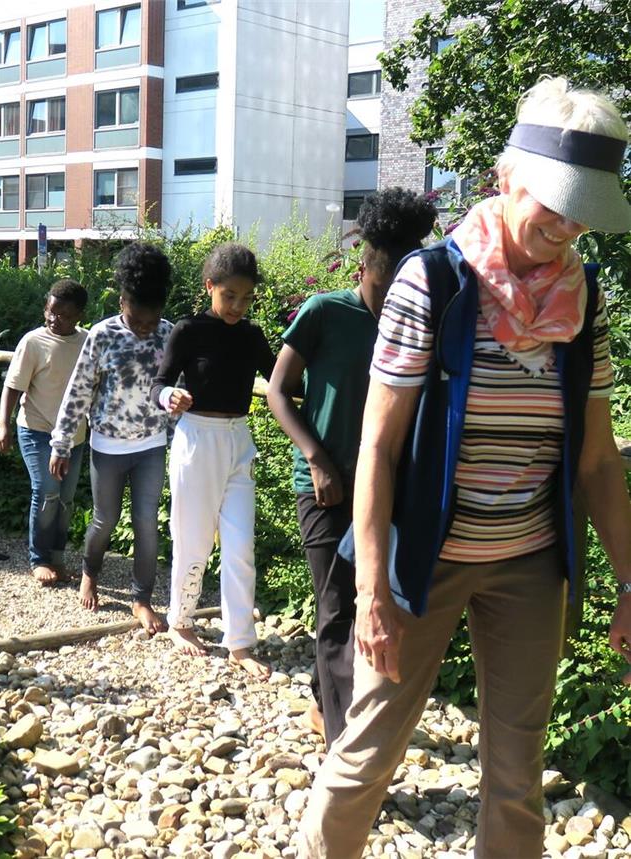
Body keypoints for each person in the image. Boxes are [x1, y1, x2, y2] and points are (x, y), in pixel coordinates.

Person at [297, 77, 631, 859]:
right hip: (421, 561)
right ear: (508, 174)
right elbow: (376, 448)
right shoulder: (434, 283)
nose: (568, 224)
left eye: (583, 206)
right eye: (554, 199)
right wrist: (373, 591)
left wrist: (627, 579)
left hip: (527, 564)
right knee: (370, 747)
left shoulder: (585, 308)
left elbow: (597, 458)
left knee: (516, 772)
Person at [267, 189, 437, 746]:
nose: (395, 297)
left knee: (378, 605)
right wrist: (316, 459)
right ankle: (346, 745)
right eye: (387, 284)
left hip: (389, 487)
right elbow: (278, 391)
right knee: (338, 609)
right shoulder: (323, 313)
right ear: (364, 264)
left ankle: (327, 703)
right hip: (326, 487)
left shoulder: (420, 320)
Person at [151, 242, 275, 677]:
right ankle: (180, 621)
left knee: (240, 545)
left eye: (246, 297)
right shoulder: (188, 330)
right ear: (210, 287)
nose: (237, 306)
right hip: (196, 438)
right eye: (229, 296)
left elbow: (280, 380)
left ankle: (239, 642)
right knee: (193, 538)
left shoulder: (252, 335)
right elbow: (159, 383)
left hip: (238, 441)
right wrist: (171, 396)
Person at [50, 242, 173, 635]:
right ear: (123, 301)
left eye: (151, 321)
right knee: (105, 519)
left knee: (147, 524)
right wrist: (62, 441)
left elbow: (176, 394)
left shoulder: (169, 335)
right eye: (137, 320)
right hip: (108, 446)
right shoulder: (102, 335)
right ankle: (90, 572)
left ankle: (142, 598)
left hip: (151, 445)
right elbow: (79, 389)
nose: (144, 328)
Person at [0, 279, 90, 586]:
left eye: (63, 314)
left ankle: (58, 557)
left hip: (74, 436)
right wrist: (4, 425)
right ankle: (39, 559)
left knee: (65, 498)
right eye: (50, 311)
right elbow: (13, 387)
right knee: (47, 492)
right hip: (36, 429)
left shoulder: (88, 342)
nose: (53, 319)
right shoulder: (33, 342)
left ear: (78, 315)